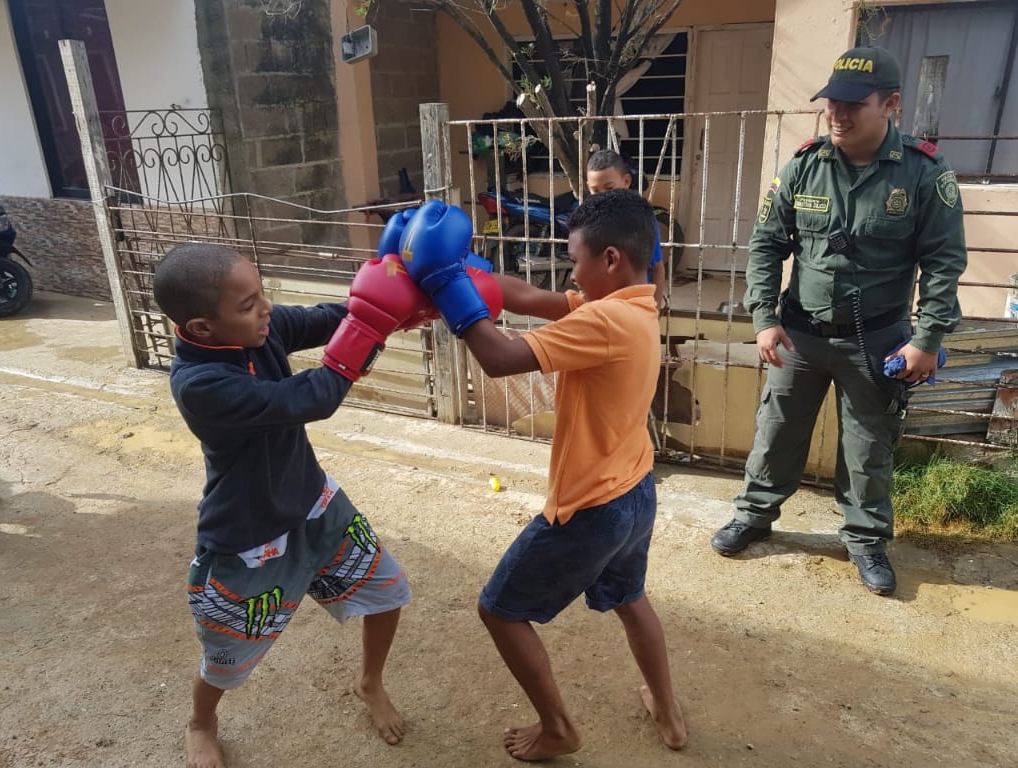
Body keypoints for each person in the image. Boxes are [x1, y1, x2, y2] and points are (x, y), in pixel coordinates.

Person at [389, 190, 687, 761]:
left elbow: (498, 358)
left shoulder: (604, 321)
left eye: (575, 259)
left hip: (591, 507)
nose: (569, 271)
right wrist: (464, 272)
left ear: (609, 261)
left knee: (499, 610)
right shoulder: (636, 304)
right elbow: (529, 296)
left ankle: (558, 728)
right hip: (635, 490)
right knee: (631, 598)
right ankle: (669, 713)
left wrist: (450, 292)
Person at [153, 242, 426, 768]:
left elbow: (330, 317)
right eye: (248, 303)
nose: (266, 309)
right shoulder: (200, 384)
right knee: (227, 656)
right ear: (203, 327)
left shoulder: (260, 327)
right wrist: (370, 333)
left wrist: (396, 302)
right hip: (249, 536)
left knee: (388, 591)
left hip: (315, 505)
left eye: (262, 295)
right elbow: (313, 397)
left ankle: (368, 683)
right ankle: (201, 721)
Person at [709, 46, 967, 596]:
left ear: (890, 104)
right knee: (775, 432)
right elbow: (766, 244)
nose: (838, 114)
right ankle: (754, 515)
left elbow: (944, 263)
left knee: (867, 445)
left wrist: (927, 339)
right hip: (800, 334)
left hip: (875, 339)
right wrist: (762, 317)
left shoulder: (924, 173)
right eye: (832, 102)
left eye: (853, 104)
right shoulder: (805, 164)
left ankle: (866, 540)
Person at [586, 149, 668, 308]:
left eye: (609, 188)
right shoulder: (588, 224)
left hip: (637, 306)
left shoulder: (643, 221)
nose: (603, 196)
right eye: (595, 191)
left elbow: (657, 268)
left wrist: (654, 311)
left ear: (626, 181)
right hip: (603, 307)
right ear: (588, 187)